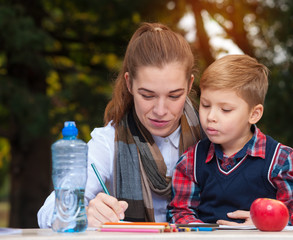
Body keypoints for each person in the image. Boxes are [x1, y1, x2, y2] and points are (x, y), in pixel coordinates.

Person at [37, 22, 202, 228]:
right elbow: (47, 212)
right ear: (129, 83)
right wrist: (84, 213)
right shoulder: (109, 141)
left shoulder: (211, 136)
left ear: (189, 85)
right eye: (147, 95)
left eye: (174, 95)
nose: (161, 110)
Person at [168, 54, 293, 228]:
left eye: (226, 109)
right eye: (205, 105)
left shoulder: (281, 160)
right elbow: (180, 212)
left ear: (254, 114)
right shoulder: (191, 161)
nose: (211, 117)